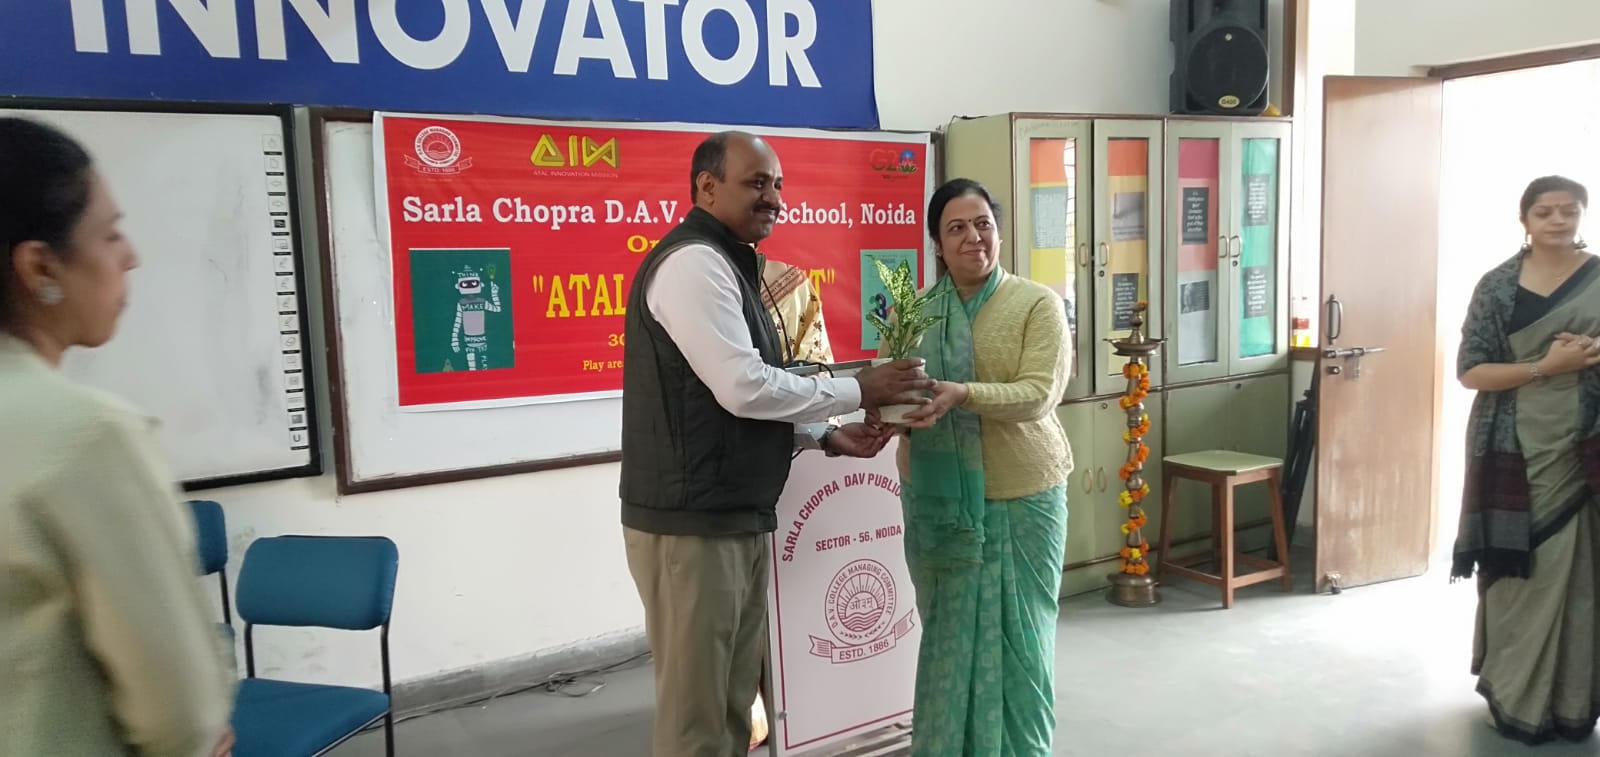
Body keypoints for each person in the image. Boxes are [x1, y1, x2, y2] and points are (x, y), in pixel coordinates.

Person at [619, 130, 932, 757]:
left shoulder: (732, 263)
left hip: (732, 514)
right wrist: (859, 388)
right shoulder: (694, 264)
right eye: (757, 183)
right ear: (707, 186)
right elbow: (743, 387)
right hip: (692, 525)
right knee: (697, 718)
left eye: (779, 185)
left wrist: (824, 437)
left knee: (733, 704)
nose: (774, 198)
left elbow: (735, 398)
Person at [0, 117, 236, 756]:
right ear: (39, 266)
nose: (130, 255)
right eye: (108, 233)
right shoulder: (85, 437)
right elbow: (180, 714)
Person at [885, 178, 1073, 755]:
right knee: (948, 640)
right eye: (957, 228)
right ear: (938, 245)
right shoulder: (914, 312)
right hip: (938, 502)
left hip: (1023, 498)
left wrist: (963, 393)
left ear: (999, 232)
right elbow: (892, 385)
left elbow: (1039, 393)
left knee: (1023, 643)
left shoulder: (1036, 304)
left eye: (983, 224)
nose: (973, 237)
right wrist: (892, 417)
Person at [1453, 174, 1600, 746]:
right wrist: (1547, 367)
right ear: (1525, 220)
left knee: (1582, 576)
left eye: (1569, 210)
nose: (1558, 220)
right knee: (1518, 572)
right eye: (1545, 211)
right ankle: (1515, 695)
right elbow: (1471, 372)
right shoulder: (1498, 286)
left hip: (1585, 449)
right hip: (1512, 447)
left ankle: (1570, 702)